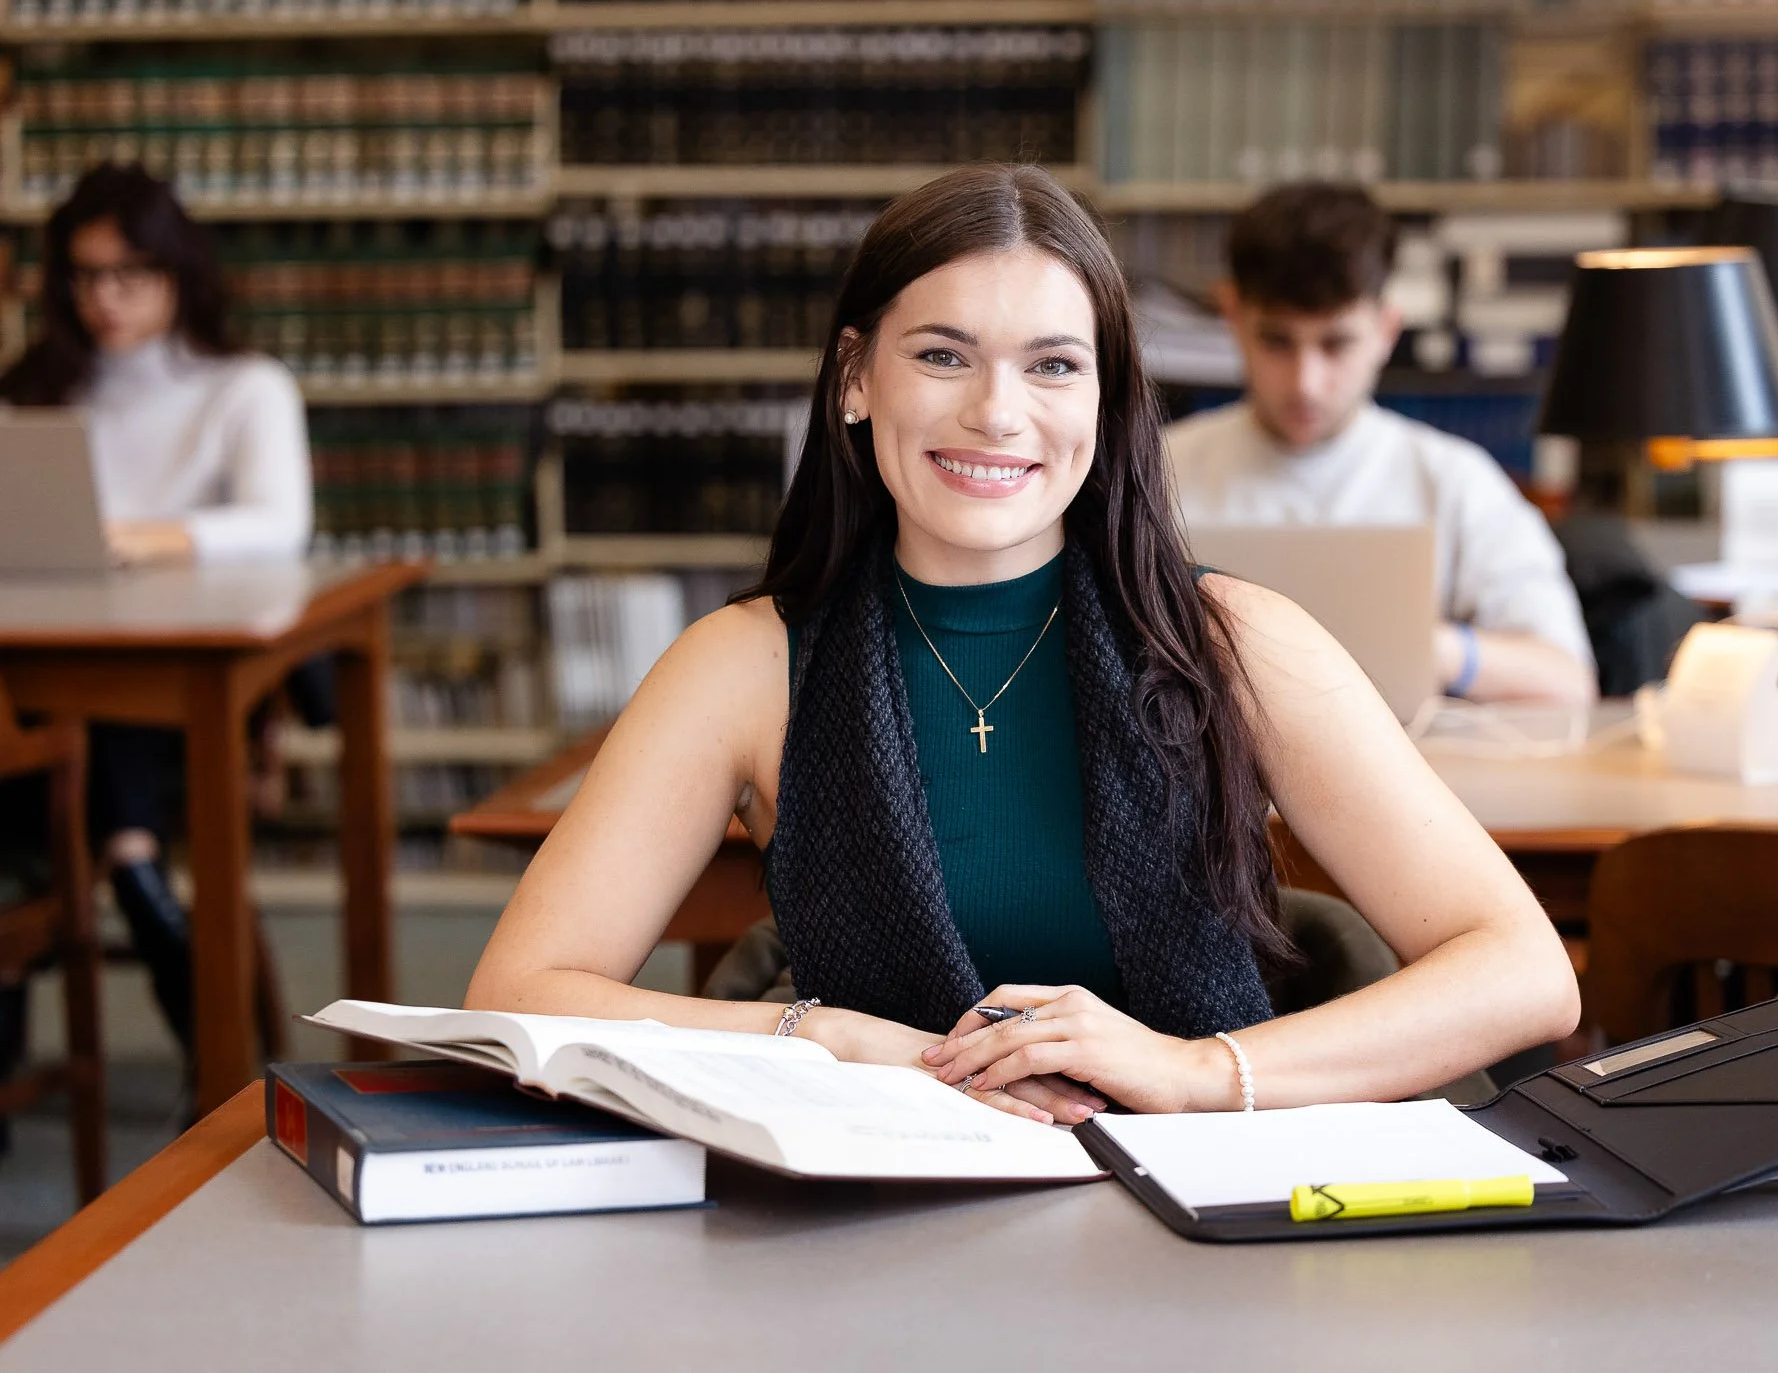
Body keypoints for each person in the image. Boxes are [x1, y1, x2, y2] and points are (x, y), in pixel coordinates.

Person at [467, 165, 1578, 1121]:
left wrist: (1189, 1072)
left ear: (1106, 398)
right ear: (856, 378)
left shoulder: (1237, 643)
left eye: (1053, 364)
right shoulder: (745, 664)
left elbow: (1524, 974)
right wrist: (840, 1042)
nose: (1000, 413)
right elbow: (516, 991)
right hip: (873, 1216)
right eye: (945, 356)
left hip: (1197, 1218)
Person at [0, 164, 313, 1059]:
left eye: (130, 274)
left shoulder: (244, 388)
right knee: (62, 721)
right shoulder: (35, 390)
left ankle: (121, 874)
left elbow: (279, 525)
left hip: (183, 686)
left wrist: (143, 538)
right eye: (85, 275)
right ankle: (131, 868)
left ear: (178, 272)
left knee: (101, 721)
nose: (107, 298)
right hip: (48, 676)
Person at [1164, 182, 1597, 706]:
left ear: (1386, 330)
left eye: (1336, 343)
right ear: (1232, 317)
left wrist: (1428, 650)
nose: (1306, 382)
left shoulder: (1454, 480)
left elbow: (1568, 680)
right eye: (1276, 341)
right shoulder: (1157, 470)